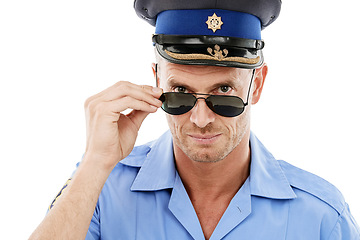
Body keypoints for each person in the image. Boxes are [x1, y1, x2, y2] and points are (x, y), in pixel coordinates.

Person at [30, 0, 360, 239]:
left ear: (256, 85)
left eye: (224, 91)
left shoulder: (322, 216)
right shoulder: (100, 190)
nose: (201, 119)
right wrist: (95, 164)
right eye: (180, 92)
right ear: (156, 82)